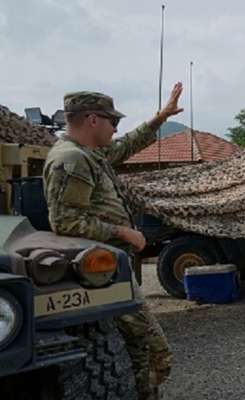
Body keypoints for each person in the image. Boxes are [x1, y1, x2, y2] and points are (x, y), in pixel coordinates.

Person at [43, 83, 184, 399]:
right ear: (92, 120)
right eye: (112, 122)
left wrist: (161, 117)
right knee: (153, 350)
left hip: (111, 270)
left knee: (138, 350)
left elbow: (126, 146)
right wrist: (122, 232)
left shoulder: (90, 154)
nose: (116, 128)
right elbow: (65, 222)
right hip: (99, 273)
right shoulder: (71, 160)